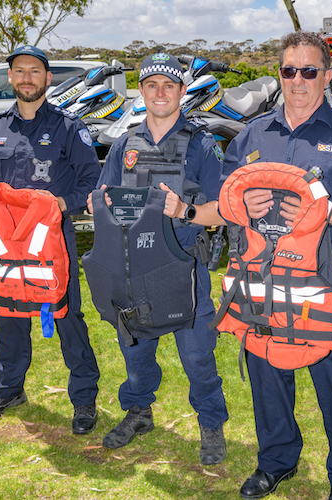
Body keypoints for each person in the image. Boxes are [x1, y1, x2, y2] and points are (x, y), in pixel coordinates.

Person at [222, 31, 332, 500]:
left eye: (308, 71)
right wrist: (241, 202)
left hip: (326, 280)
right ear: (279, 74)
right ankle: (275, 462)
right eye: (288, 70)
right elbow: (225, 193)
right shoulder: (253, 134)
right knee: (267, 377)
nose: (297, 80)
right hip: (262, 280)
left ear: (327, 75)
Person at [88, 53, 229, 465]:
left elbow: (224, 210)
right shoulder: (124, 144)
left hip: (184, 267)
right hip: (133, 269)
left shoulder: (202, 143)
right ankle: (138, 411)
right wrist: (98, 206)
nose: (160, 93)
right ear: (141, 91)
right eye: (152, 85)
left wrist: (184, 209)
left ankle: (210, 423)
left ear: (182, 91)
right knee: (135, 352)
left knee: (198, 356)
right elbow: (102, 199)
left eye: (169, 85)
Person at [0, 45, 101, 435]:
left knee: (67, 317)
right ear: (10, 77)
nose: (27, 78)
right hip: (6, 245)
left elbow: (91, 180)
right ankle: (9, 390)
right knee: (6, 314)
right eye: (20, 71)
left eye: (35, 71)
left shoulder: (68, 127)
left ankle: (84, 399)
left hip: (51, 242)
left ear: (47, 78)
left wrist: (61, 203)